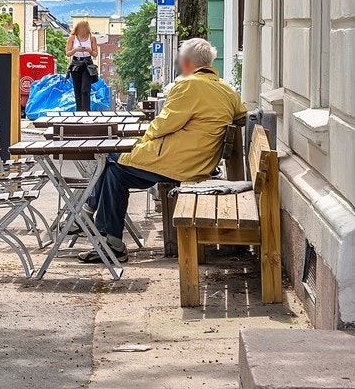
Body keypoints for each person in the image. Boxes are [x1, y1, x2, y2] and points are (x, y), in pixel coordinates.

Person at [76, 38, 245, 264]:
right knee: (113, 168)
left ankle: (95, 222)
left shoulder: (188, 85)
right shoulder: (226, 89)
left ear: (187, 63)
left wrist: (142, 142)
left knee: (111, 162)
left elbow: (164, 124)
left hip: (179, 163)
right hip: (199, 161)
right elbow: (241, 116)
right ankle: (104, 235)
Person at [66, 19, 103, 112]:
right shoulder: (72, 37)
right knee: (77, 89)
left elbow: (95, 54)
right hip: (76, 64)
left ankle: (86, 110)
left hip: (87, 64)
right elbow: (68, 53)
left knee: (85, 89)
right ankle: (79, 110)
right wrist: (76, 50)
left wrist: (89, 50)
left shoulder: (92, 38)